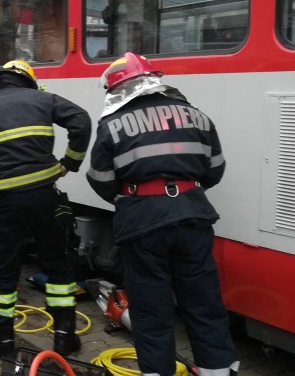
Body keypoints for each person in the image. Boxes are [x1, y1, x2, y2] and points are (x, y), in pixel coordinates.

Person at [87, 52, 239, 376]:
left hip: (142, 221)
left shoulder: (112, 124)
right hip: (193, 215)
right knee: (204, 304)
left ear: (117, 90)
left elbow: (100, 179)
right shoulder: (197, 116)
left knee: (151, 312)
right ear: (152, 80)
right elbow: (215, 169)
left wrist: (131, 196)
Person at [0, 59, 92, 357]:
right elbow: (81, 120)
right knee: (57, 263)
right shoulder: (44, 99)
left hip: (6, 199)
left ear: (0, 81)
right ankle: (63, 337)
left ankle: (4, 343)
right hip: (44, 194)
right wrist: (70, 162)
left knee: (5, 268)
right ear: (29, 81)